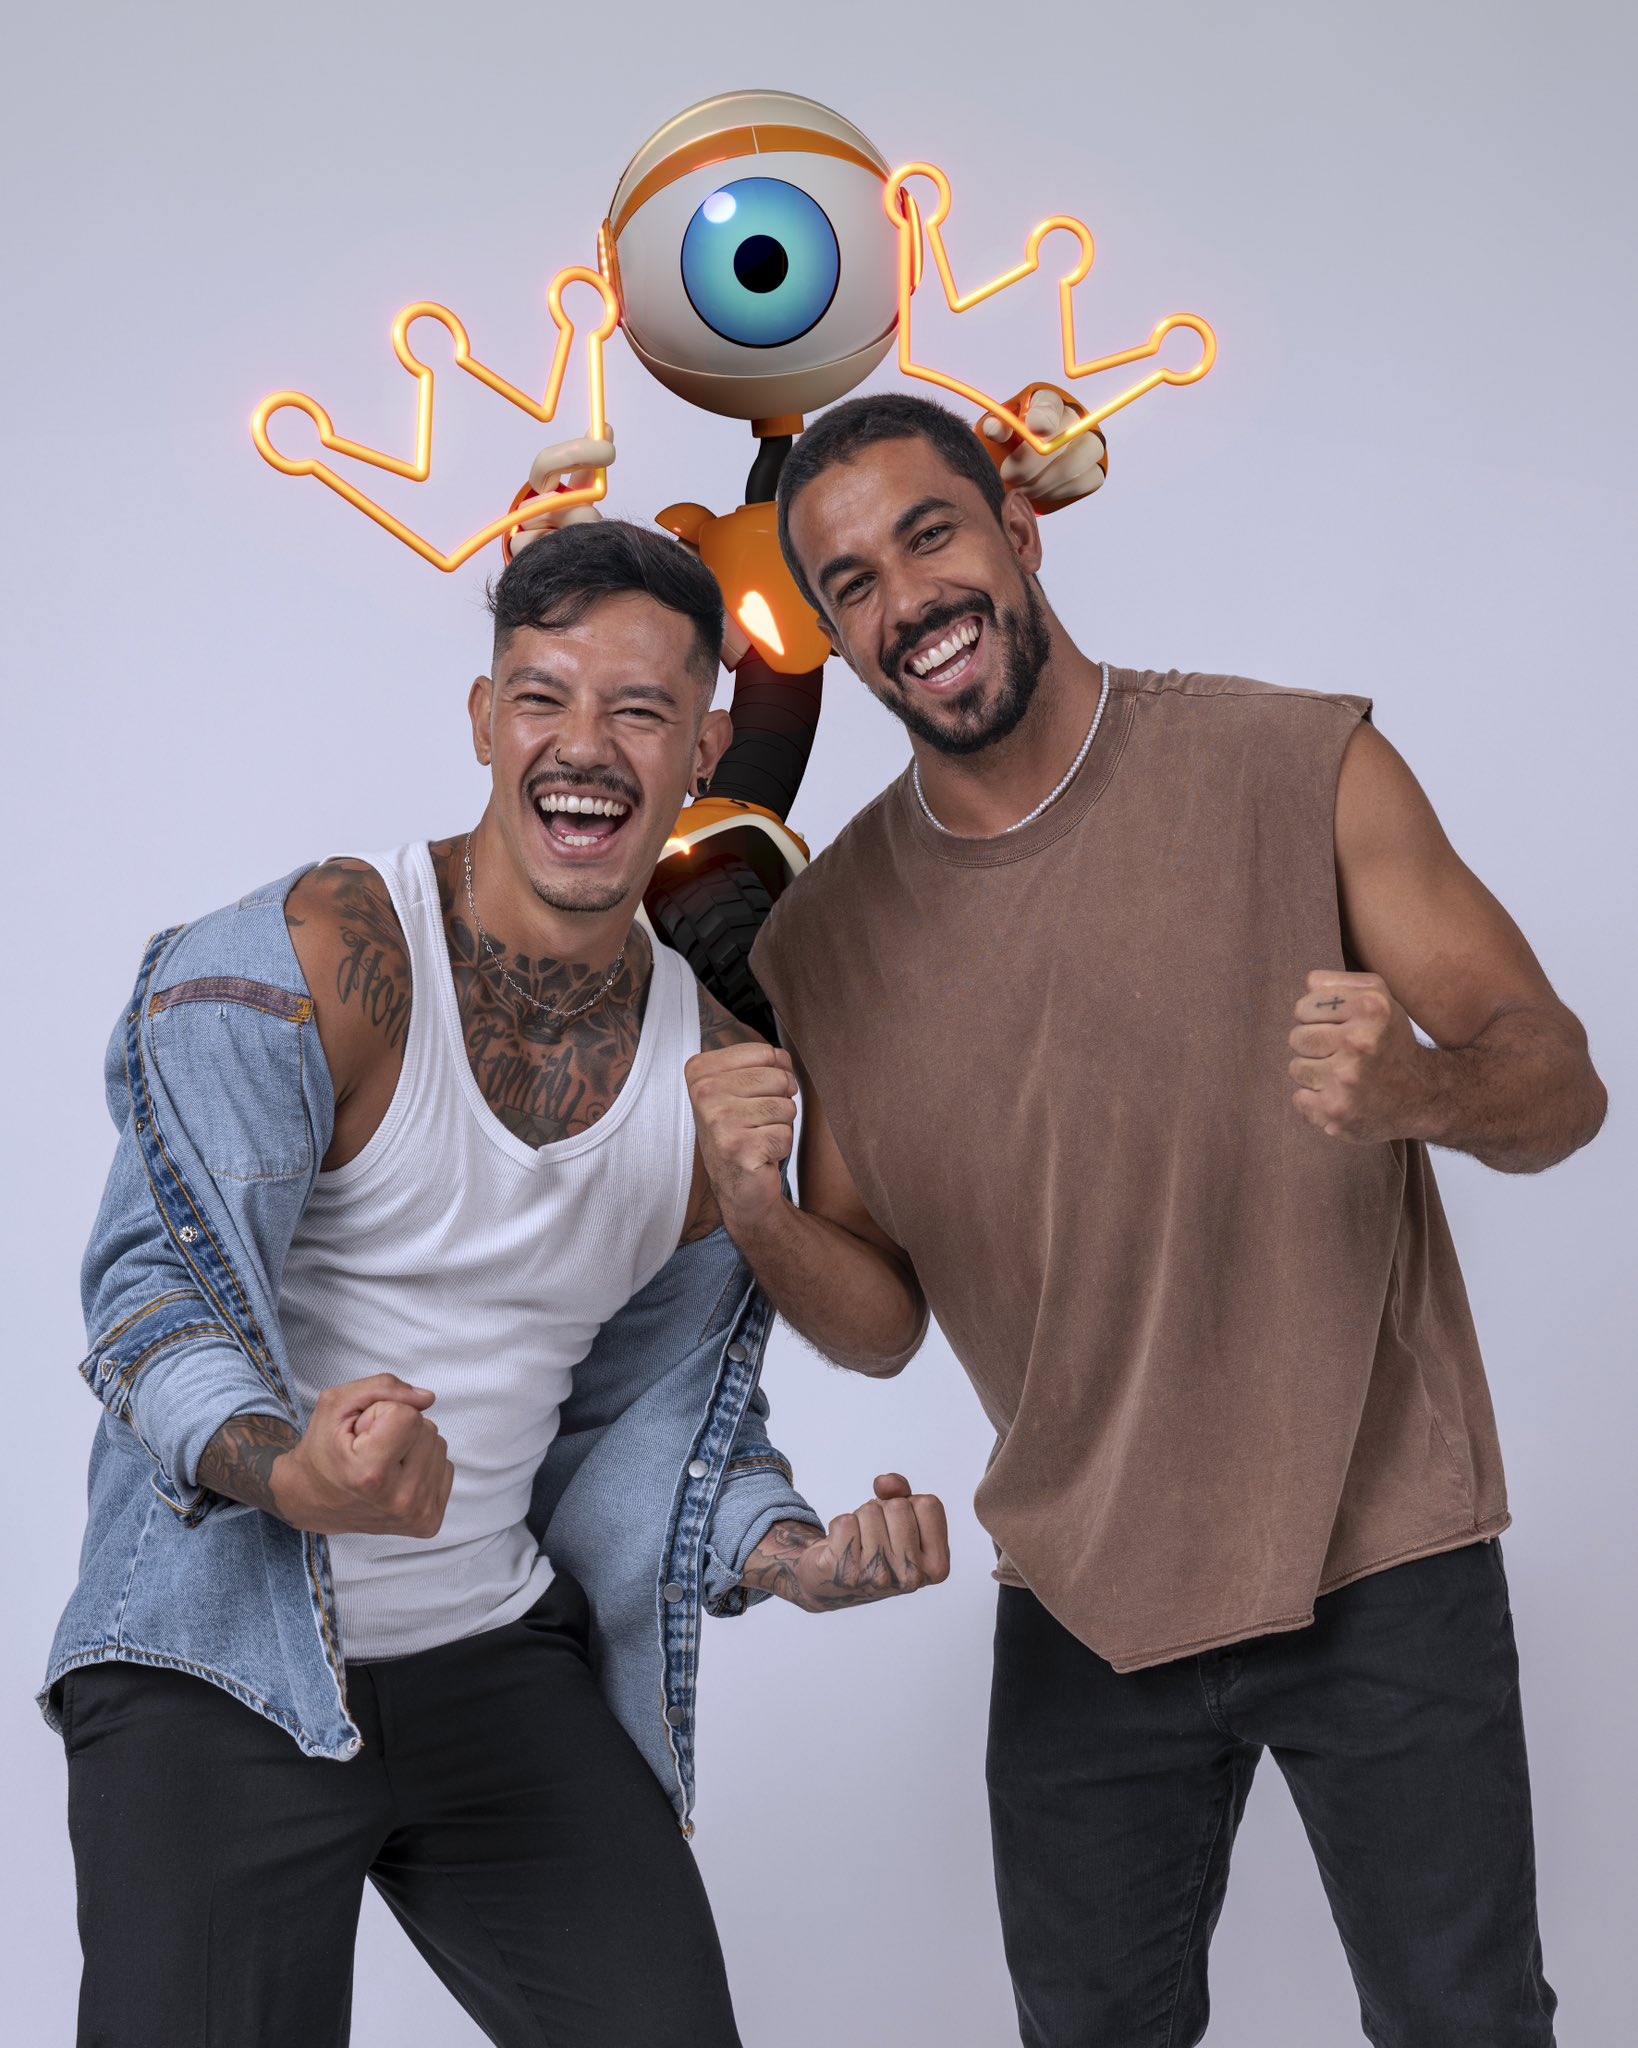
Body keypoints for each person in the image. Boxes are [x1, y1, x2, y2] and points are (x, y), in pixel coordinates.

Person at [684, 391, 1608, 2048]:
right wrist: (753, 1206)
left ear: (1017, 530)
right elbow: (877, 1323)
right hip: (1082, 1592)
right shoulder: (819, 941)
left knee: (1466, 2023)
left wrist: (1419, 1089)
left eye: (930, 536)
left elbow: (1557, 1085)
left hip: (1378, 1547)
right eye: (850, 585)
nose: (907, 601)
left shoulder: (1293, 762)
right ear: (828, 633)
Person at [41, 518, 950, 2048]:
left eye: (639, 710)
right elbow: (152, 1301)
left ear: (701, 749)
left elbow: (642, 1419)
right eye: (542, 698)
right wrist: (297, 1472)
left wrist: (789, 1552)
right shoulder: (318, 958)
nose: (582, 746)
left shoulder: (716, 1074)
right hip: (222, 1658)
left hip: (490, 1660)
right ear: (484, 719)